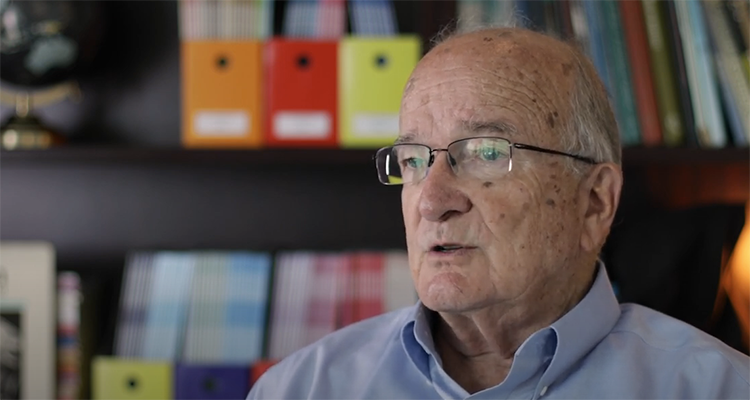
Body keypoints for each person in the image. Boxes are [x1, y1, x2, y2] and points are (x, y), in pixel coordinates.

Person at [247, 27, 750, 399]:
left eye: (486, 153)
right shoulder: (299, 389)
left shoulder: (718, 388)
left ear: (595, 201)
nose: (431, 201)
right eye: (413, 160)